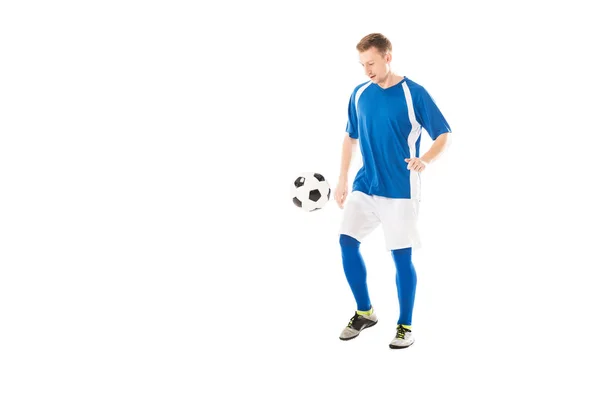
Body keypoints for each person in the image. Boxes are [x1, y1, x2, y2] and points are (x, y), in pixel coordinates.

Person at [335, 33, 451, 349]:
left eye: (371, 63)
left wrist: (424, 159)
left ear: (388, 56)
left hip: (400, 189)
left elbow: (443, 135)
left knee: (400, 257)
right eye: (362, 64)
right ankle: (365, 312)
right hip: (366, 184)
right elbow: (350, 137)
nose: (366, 71)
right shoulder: (359, 93)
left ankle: (405, 325)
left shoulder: (415, 94)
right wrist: (343, 178)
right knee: (347, 242)